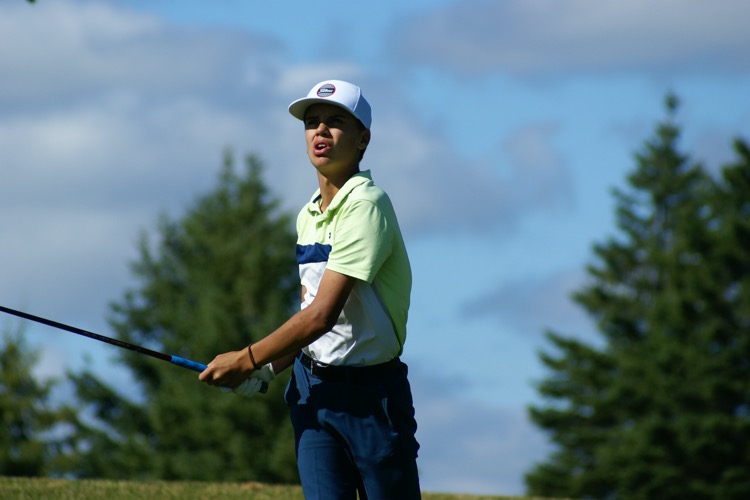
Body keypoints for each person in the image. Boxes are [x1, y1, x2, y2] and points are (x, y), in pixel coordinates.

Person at [199, 79, 421, 499]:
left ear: (362, 139)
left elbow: (322, 316)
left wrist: (246, 359)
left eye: (335, 121)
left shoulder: (367, 205)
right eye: (311, 122)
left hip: (373, 398)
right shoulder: (308, 214)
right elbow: (308, 311)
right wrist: (267, 369)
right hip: (311, 392)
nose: (320, 130)